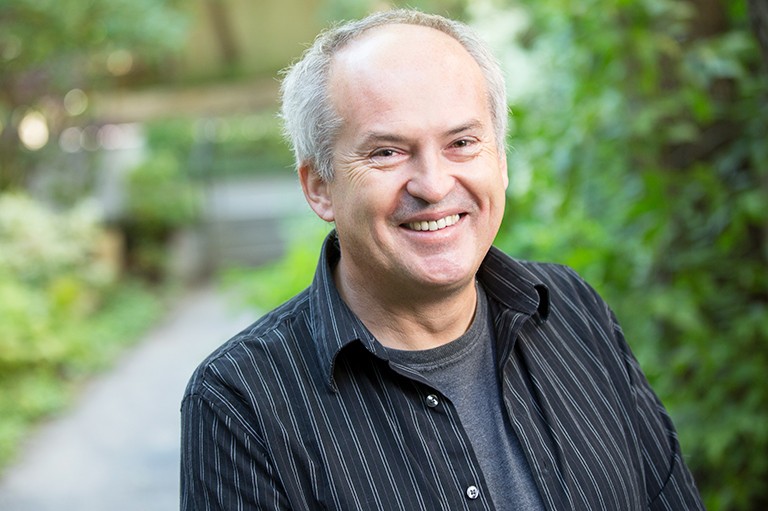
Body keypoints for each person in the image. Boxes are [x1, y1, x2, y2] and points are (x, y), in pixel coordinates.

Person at [180, 9, 704, 510]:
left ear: (500, 161)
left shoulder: (572, 310)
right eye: (386, 152)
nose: (433, 185)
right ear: (319, 188)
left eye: (462, 142)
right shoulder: (240, 402)